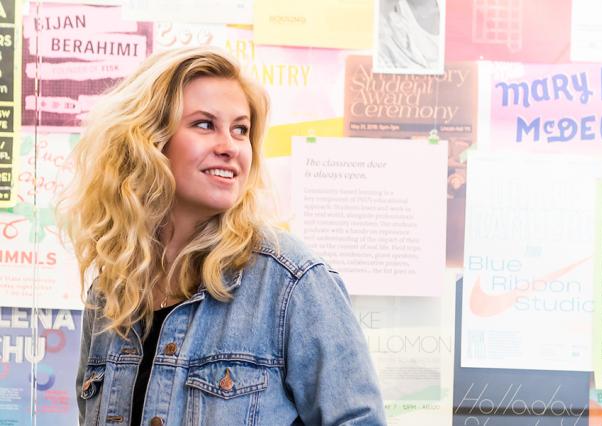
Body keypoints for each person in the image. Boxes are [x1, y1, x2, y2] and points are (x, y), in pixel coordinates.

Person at [60, 46, 385, 426]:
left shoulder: (291, 282)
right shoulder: (111, 291)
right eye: (204, 124)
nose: (229, 147)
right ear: (148, 140)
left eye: (240, 130)